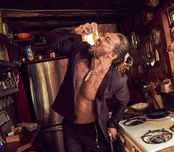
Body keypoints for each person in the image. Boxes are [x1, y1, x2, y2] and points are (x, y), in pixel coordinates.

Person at [47, 22, 132, 152]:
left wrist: (113, 124)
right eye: (103, 36)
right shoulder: (80, 50)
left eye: (106, 40)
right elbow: (50, 39)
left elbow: (123, 101)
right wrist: (74, 30)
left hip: (94, 130)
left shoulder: (117, 79)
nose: (100, 38)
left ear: (112, 55)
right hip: (70, 127)